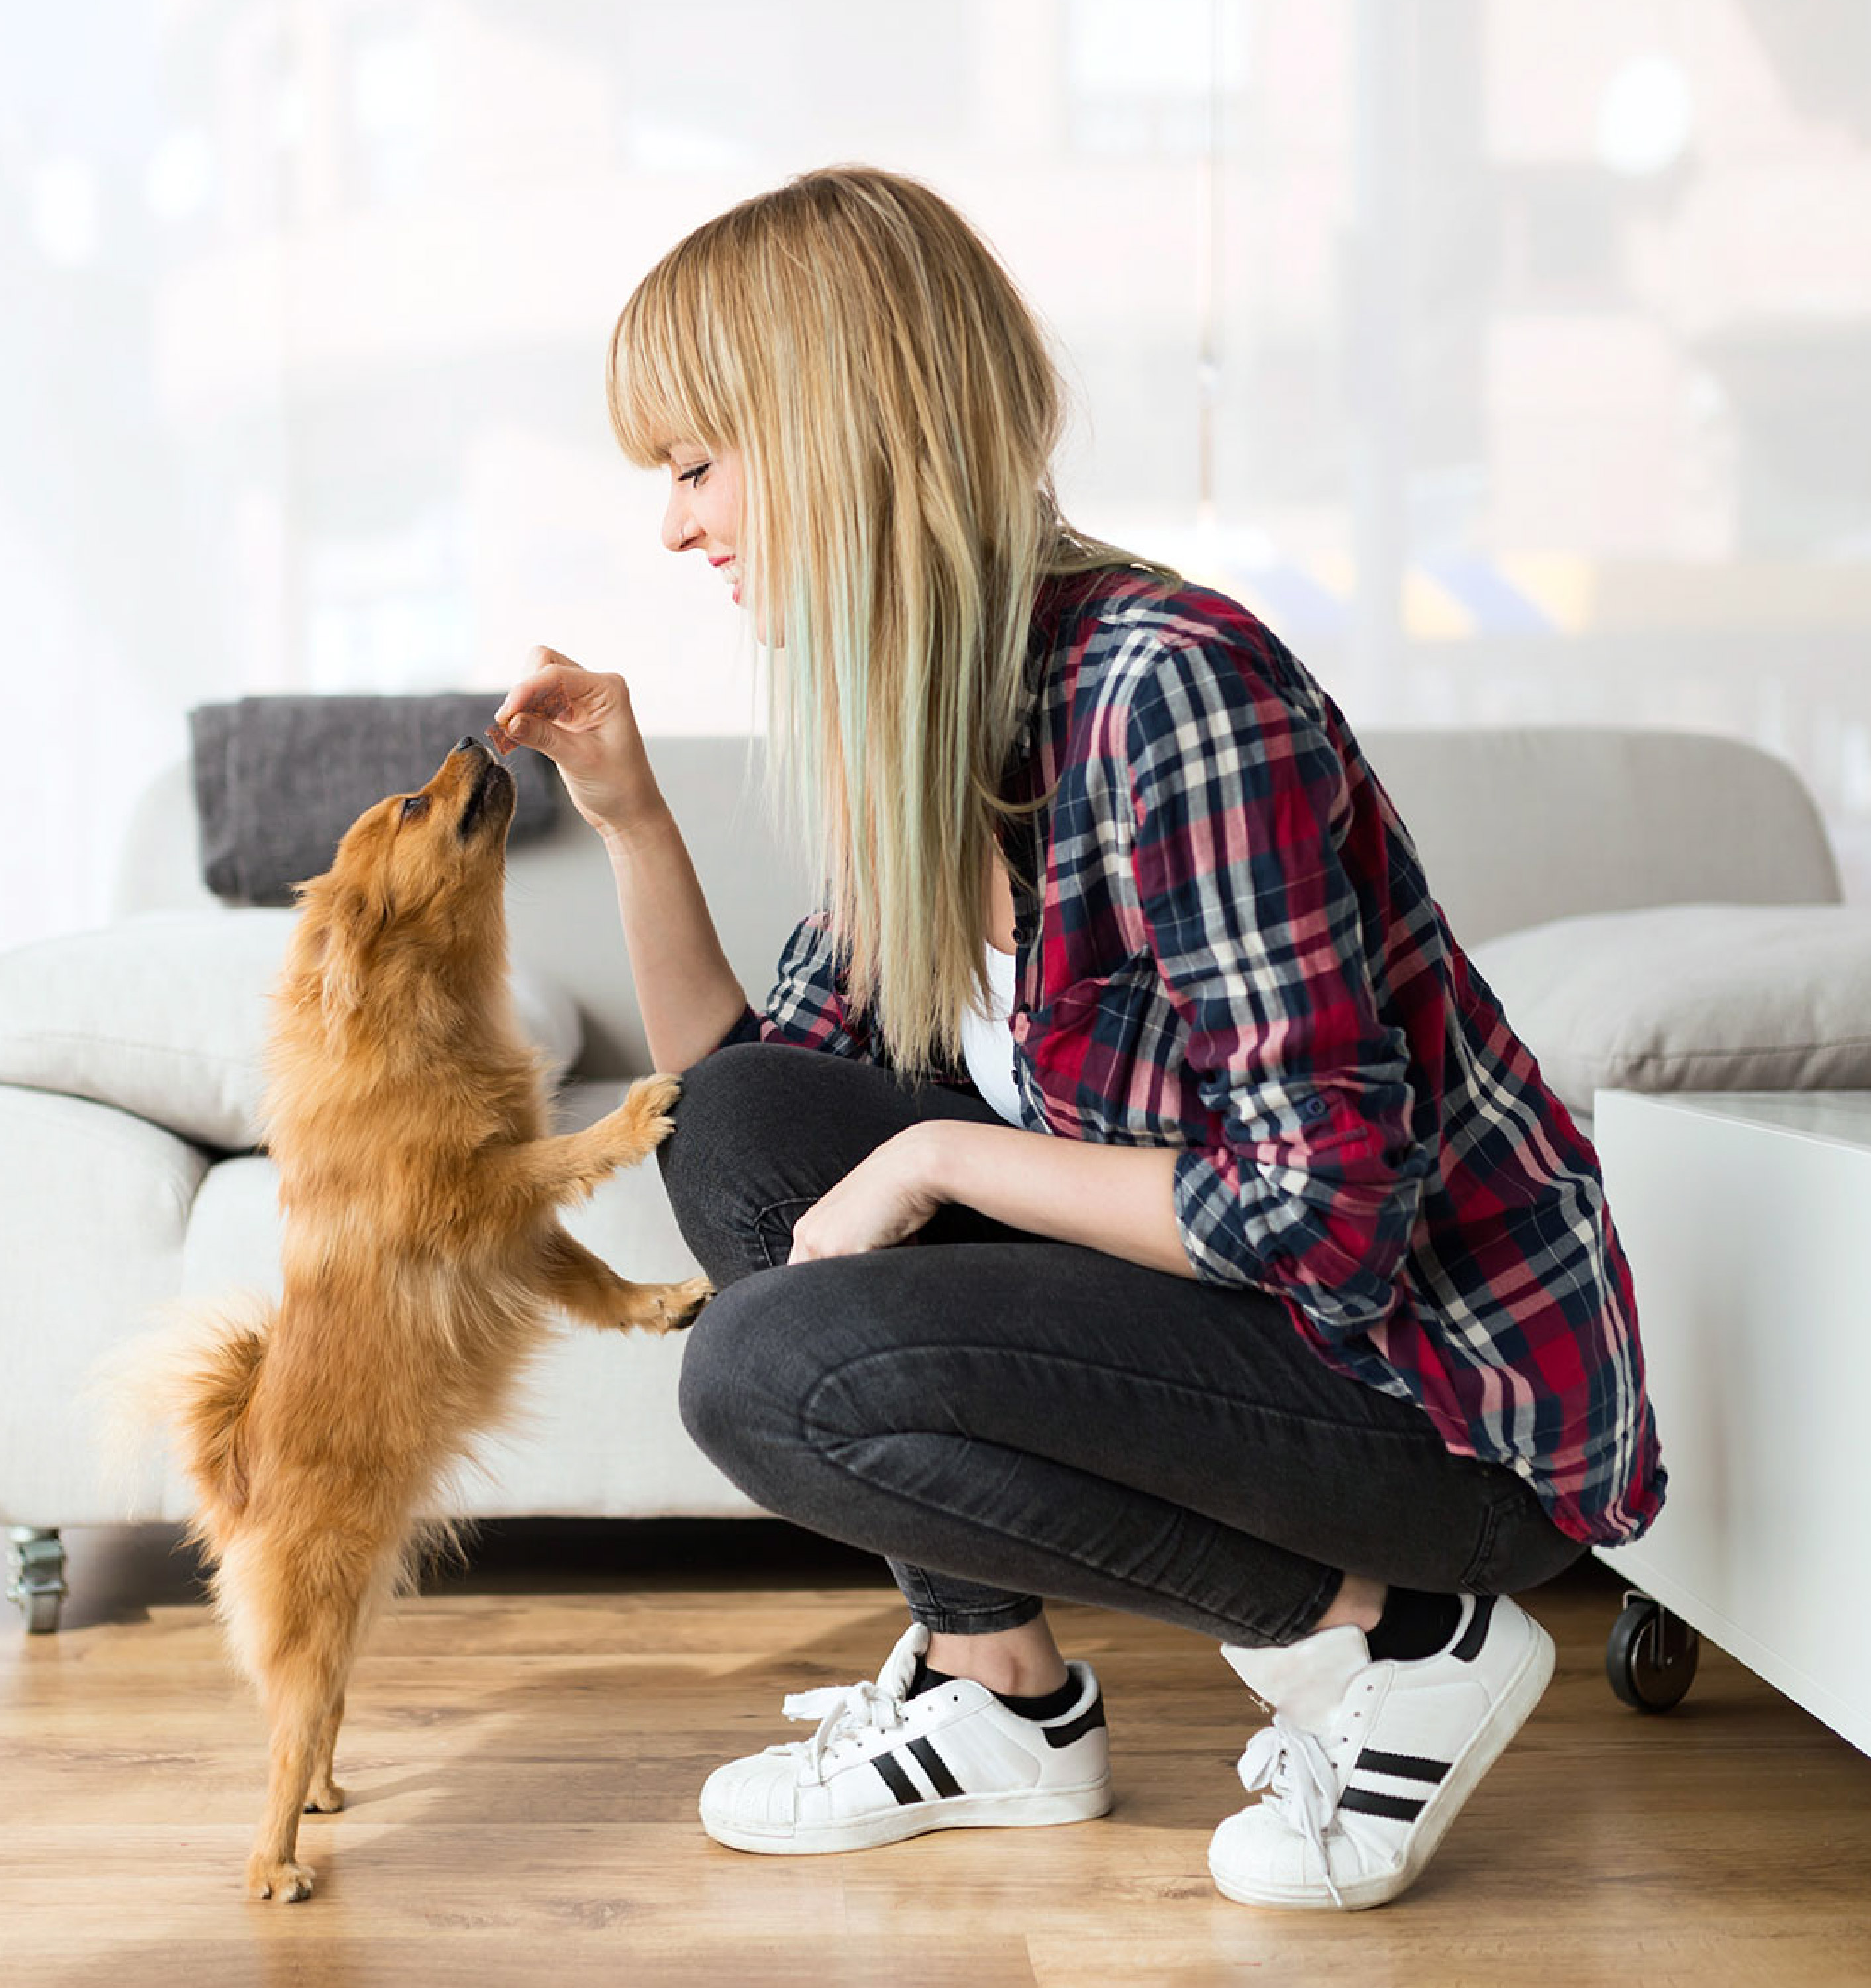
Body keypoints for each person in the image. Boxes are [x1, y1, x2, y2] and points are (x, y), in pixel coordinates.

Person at [491, 164, 1664, 1912]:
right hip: (1260, 1349)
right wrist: (635, 821)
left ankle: (1402, 1632)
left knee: (763, 1369)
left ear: (833, 425)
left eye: (693, 464)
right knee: (739, 1129)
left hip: (1436, 1420)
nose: (674, 526)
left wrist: (945, 1150)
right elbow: (747, 1116)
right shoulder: (935, 720)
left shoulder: (1162, 686)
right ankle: (1000, 1700)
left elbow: (1324, 1214)